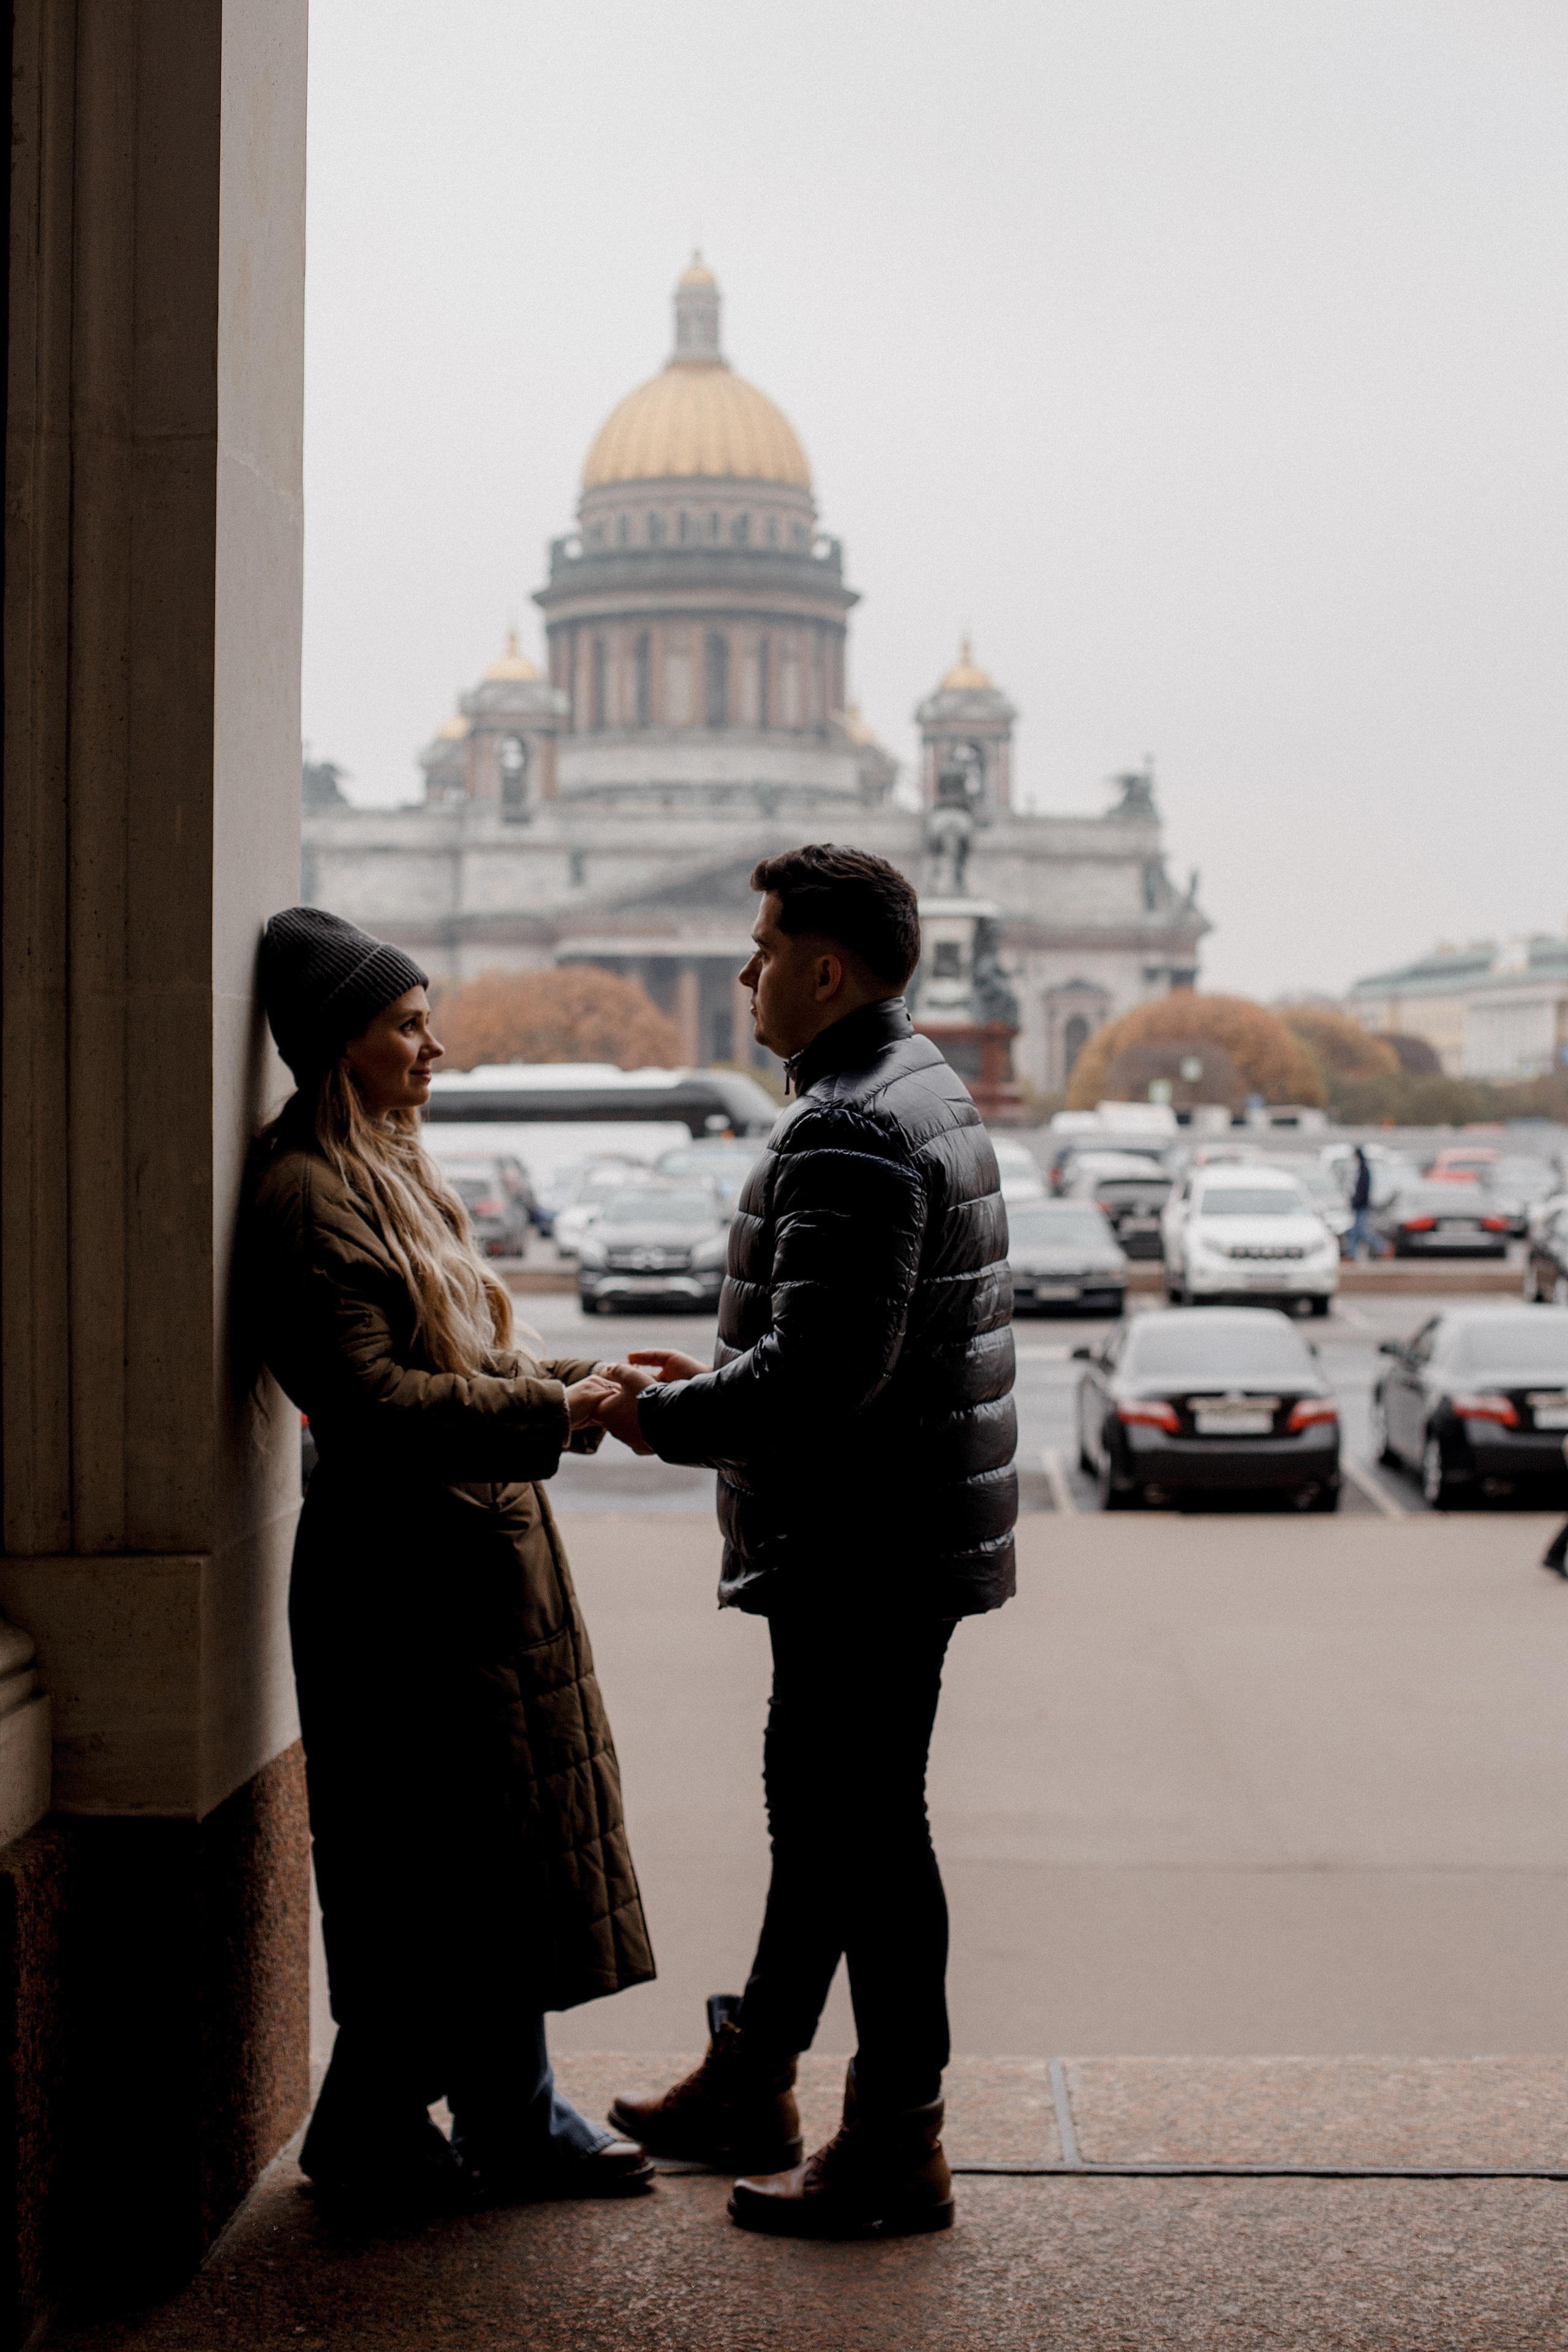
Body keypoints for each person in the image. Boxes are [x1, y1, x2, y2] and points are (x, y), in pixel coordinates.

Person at [595, 844, 1017, 2239]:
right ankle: (756, 2076)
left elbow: (818, 1375)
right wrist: (710, 1371)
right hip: (899, 1529)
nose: (741, 971)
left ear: (823, 969)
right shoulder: (918, 1085)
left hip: (861, 1545)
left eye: (763, 944)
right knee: (833, 1827)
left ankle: (896, 2133)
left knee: (865, 1837)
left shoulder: (845, 1121)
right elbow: (839, 1341)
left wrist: (660, 1416)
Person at [244, 907, 656, 2212]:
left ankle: (453, 2116)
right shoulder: (312, 1195)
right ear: (338, 1047)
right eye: (407, 1026)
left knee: (481, 1858)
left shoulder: (387, 1167)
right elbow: (367, 1403)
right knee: (451, 1861)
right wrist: (557, 1412)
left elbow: (454, 1363)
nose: (436, 1049)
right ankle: (463, 2122)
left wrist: (563, 1386)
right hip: (407, 1584)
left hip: (457, 1569)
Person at [1346, 1144, 1375, 1258]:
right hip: (1360, 1205)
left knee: (1361, 1231)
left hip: (1362, 1206)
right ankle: (1351, 1254)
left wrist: (1356, 1202)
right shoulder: (1361, 1170)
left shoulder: (1364, 1171)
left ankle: (1383, 1247)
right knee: (1355, 1232)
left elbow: (1362, 1191)